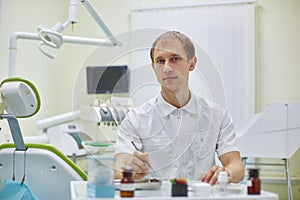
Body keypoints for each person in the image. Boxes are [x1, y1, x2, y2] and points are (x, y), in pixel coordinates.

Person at [114, 30, 244, 184]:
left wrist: (227, 172)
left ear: (192, 63)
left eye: (175, 59)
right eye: (160, 61)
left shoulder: (217, 116)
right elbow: (119, 168)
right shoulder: (136, 119)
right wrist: (129, 170)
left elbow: (236, 166)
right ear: (153, 67)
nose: (167, 68)